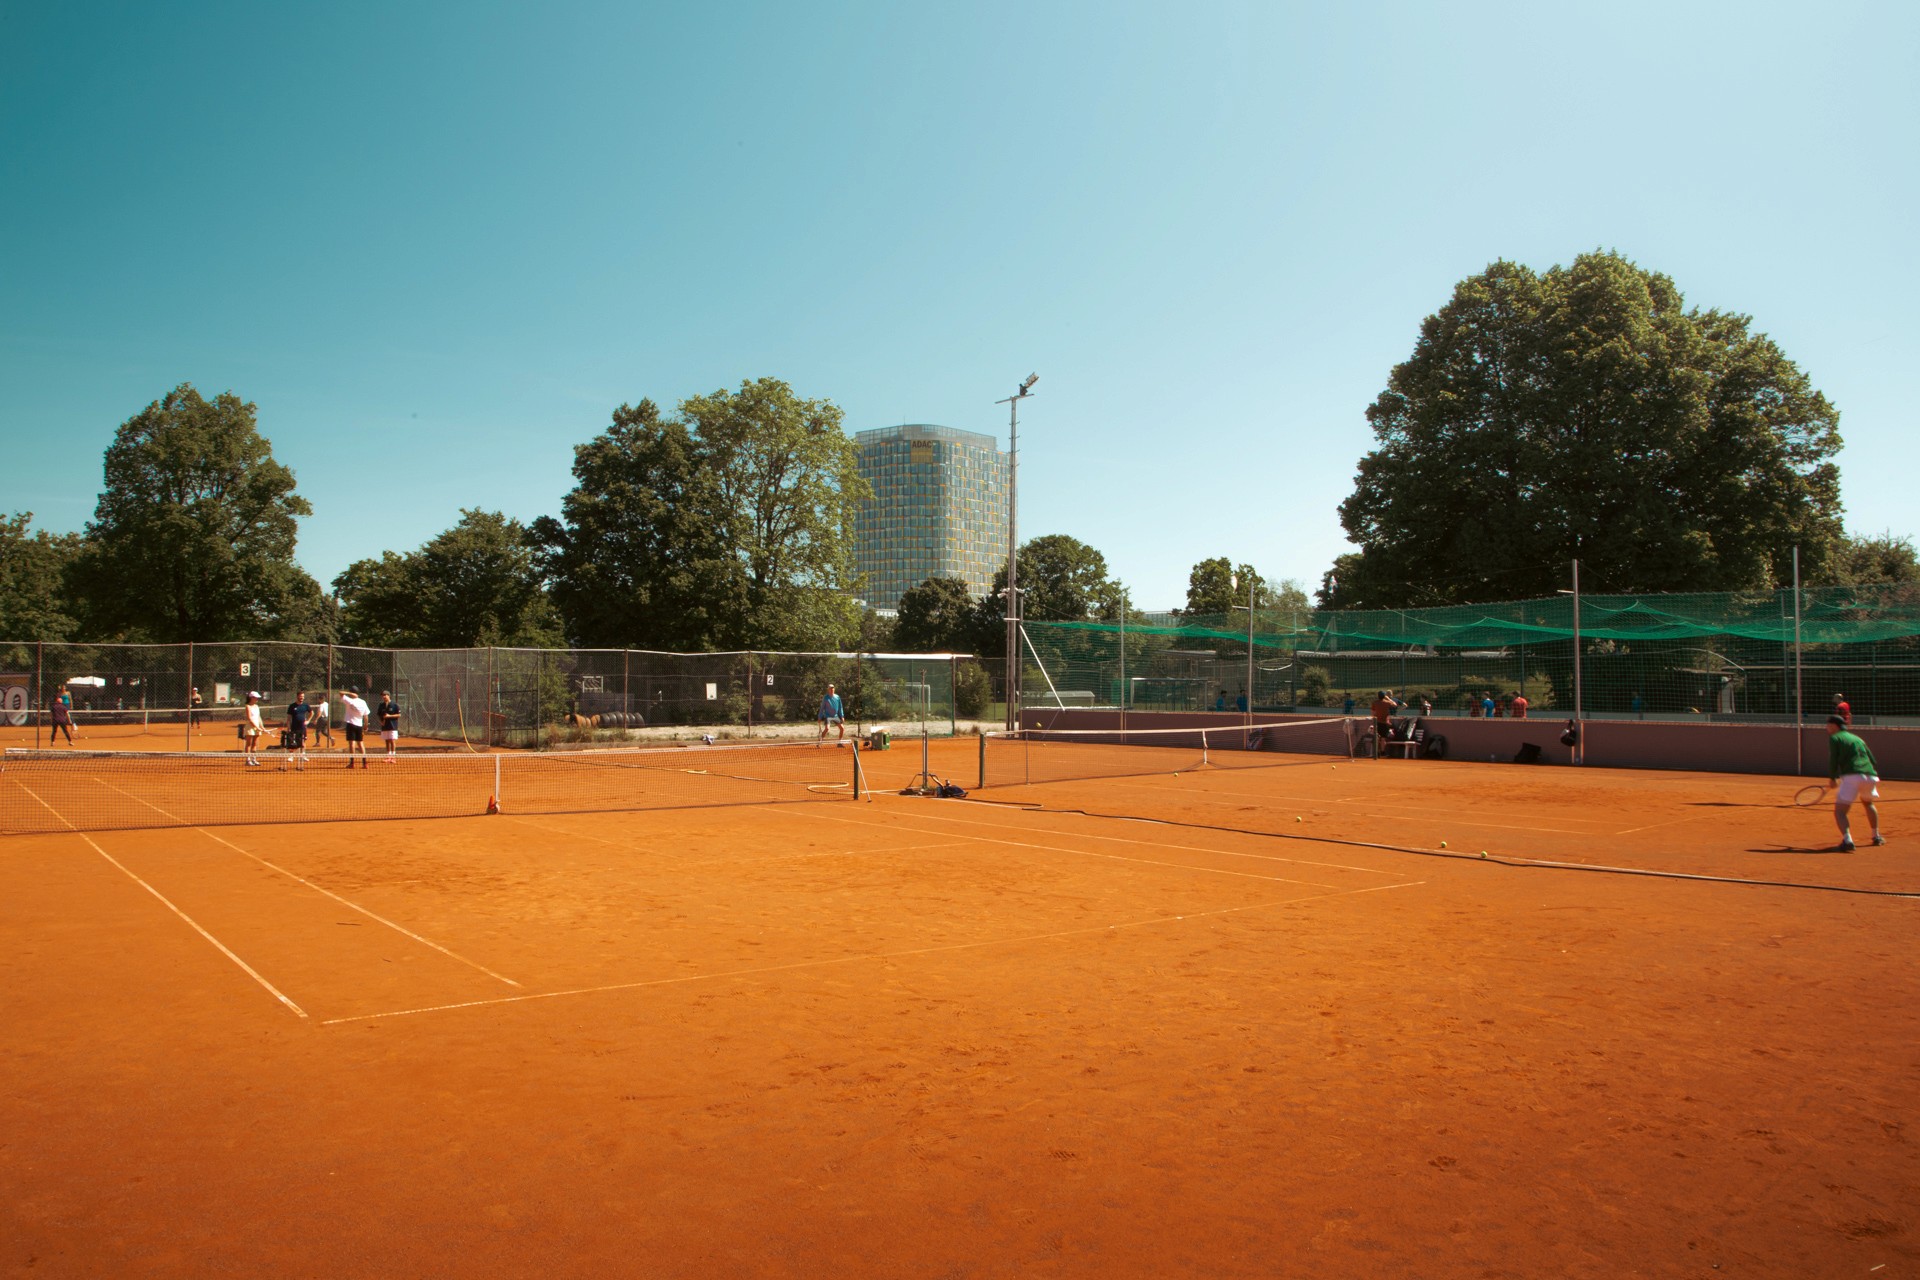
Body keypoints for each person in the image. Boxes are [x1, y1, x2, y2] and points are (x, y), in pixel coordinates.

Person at [1826, 715, 1884, 852]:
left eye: (1828, 725)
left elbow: (1833, 759)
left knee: (1840, 811)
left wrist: (1832, 778)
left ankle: (1847, 841)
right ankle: (1876, 836)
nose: (1826, 728)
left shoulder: (1835, 738)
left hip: (1852, 776)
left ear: (1835, 726)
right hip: (1870, 775)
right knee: (1868, 803)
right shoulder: (1858, 738)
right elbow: (1873, 760)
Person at [339, 688, 371, 768]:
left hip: (351, 724)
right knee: (360, 743)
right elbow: (366, 716)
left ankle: (352, 763)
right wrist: (365, 726)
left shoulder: (349, 700)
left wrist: (348, 692)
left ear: (351, 693)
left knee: (352, 743)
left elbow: (341, 693)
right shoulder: (363, 702)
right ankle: (365, 763)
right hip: (359, 726)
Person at [283, 691, 312, 771]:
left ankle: (303, 755)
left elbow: (311, 713)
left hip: (302, 727)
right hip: (294, 727)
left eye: (303, 696)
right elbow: (289, 718)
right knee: (293, 742)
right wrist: (288, 727)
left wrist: (308, 721)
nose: (301, 698)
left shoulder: (306, 706)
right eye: (300, 696)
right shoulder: (292, 706)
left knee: (303, 742)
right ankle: (291, 756)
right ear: (297, 697)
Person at [376, 690, 401, 762]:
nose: (383, 697)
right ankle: (388, 756)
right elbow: (379, 714)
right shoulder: (381, 705)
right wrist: (381, 721)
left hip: (392, 726)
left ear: (388, 695)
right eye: (382, 695)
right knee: (387, 741)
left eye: (385, 695)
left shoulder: (394, 705)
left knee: (392, 740)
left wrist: (390, 716)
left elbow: (399, 715)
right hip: (385, 726)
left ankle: (393, 757)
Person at [242, 690, 265, 766]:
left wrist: (262, 727)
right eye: (256, 698)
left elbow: (259, 717)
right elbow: (249, 718)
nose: (257, 699)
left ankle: (254, 759)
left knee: (255, 743)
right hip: (250, 727)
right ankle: (248, 760)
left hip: (257, 726)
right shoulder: (247, 706)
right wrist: (256, 727)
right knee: (248, 744)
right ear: (251, 698)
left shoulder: (257, 706)